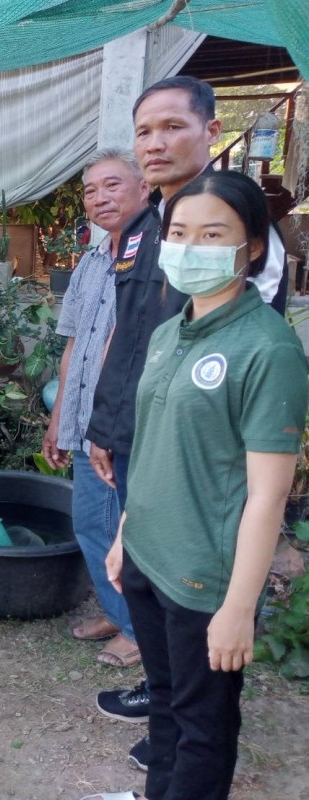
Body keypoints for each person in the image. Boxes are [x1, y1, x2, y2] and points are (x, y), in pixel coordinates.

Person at [83, 171, 308, 800]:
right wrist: (127, 534)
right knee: (164, 711)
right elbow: (152, 447)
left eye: (213, 234)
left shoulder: (268, 349)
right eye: (179, 232)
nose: (190, 247)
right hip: (149, 559)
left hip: (204, 578)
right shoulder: (166, 332)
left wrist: (239, 608)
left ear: (253, 246)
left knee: (203, 728)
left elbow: (268, 495)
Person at [42, 150, 149, 668]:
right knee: (91, 524)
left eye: (113, 185)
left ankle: (135, 628)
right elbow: (74, 344)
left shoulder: (156, 255)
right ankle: (118, 610)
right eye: (90, 189)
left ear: (144, 188)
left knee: (121, 530)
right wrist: (60, 415)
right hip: (85, 420)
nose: (100, 197)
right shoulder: (90, 260)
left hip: (125, 426)